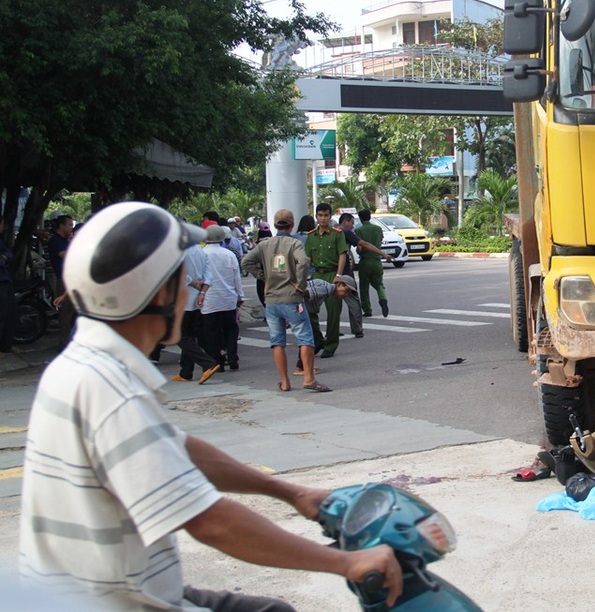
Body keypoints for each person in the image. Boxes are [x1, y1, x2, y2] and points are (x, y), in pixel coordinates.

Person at [19, 201, 401, 610]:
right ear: (155, 291)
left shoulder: (90, 365)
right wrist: (345, 562)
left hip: (107, 586)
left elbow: (179, 449)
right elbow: (210, 522)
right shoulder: (111, 391)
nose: (188, 290)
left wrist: (291, 492)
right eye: (180, 278)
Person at [242, 209, 329, 393]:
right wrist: (300, 283)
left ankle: (284, 382)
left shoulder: (264, 245)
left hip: (272, 300)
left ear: (274, 225)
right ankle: (308, 378)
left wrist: (264, 276)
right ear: (291, 225)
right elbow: (304, 262)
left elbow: (246, 262)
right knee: (305, 338)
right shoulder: (294, 244)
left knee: (277, 341)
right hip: (293, 299)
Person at [338, 213, 396, 338]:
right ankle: (358, 328)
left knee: (336, 301)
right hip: (366, 264)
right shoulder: (377, 228)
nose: (353, 226)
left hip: (336, 270)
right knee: (356, 296)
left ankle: (334, 328)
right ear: (345, 221)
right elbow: (366, 245)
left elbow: (360, 249)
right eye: (352, 222)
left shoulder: (334, 232)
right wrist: (383, 255)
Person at [172, 242, 222, 384]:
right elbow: (208, 275)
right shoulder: (199, 250)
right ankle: (186, 371)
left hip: (181, 297)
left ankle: (208, 363)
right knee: (189, 335)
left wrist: (192, 282)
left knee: (179, 335)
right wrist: (202, 292)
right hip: (196, 297)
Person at [303, 203, 347, 359]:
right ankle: (319, 340)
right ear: (316, 216)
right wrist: (303, 277)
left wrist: (339, 275)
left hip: (332, 274)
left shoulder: (337, 234)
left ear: (330, 216)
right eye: (320, 215)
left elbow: (342, 254)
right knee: (310, 311)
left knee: (333, 313)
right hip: (316, 276)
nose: (323, 218)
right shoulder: (311, 236)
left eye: (326, 215)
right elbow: (307, 259)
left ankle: (331, 345)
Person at [201, 224, 244, 372]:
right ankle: (232, 357)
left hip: (209, 300)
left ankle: (217, 361)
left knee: (211, 332)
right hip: (228, 298)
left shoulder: (202, 254)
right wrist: (240, 295)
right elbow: (236, 277)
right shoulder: (229, 254)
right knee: (231, 329)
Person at [47, 213, 76, 350]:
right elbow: (67, 255)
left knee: (72, 312)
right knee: (66, 312)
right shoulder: (55, 241)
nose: (71, 228)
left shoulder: (66, 240)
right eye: (69, 225)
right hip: (63, 279)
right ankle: (65, 343)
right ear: (62, 226)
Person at [355, 208, 391, 318]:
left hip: (365, 261)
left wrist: (358, 250)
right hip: (377, 261)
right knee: (379, 284)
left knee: (364, 287)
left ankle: (367, 310)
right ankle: (383, 298)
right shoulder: (378, 229)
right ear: (370, 217)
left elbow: (360, 248)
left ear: (360, 219)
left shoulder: (359, 230)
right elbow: (380, 242)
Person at [0, 217, 15, 356]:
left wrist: (5, 257)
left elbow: (9, 254)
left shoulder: (2, 241)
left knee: (9, 314)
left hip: (6, 280)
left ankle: (5, 346)